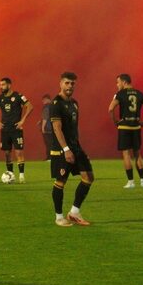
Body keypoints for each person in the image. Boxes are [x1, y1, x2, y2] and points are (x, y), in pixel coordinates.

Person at [49, 72, 94, 226]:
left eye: (72, 83)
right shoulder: (56, 104)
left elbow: (73, 128)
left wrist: (77, 147)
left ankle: (74, 212)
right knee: (61, 181)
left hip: (76, 146)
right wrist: (66, 149)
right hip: (62, 149)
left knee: (88, 177)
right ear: (61, 83)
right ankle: (59, 217)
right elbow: (57, 128)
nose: (70, 86)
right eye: (67, 83)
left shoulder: (74, 103)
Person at [108, 74, 143, 187]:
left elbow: (110, 109)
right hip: (136, 127)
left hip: (124, 127)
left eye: (118, 82)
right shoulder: (139, 93)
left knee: (126, 154)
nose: (117, 85)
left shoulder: (119, 94)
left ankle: (131, 182)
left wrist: (115, 121)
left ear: (124, 82)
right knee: (137, 154)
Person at [0, 77, 33, 182]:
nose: (1, 87)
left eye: (3, 85)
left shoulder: (18, 96)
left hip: (16, 129)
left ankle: (22, 176)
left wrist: (22, 120)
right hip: (5, 130)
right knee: (7, 153)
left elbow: (30, 106)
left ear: (9, 85)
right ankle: (10, 174)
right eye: (0, 85)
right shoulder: (0, 98)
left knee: (18, 152)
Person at [38, 93, 55, 160]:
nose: (43, 101)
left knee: (48, 143)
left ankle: (49, 157)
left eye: (44, 100)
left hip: (47, 129)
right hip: (53, 128)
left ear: (47, 99)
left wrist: (43, 128)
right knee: (52, 143)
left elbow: (45, 118)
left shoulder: (47, 107)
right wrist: (40, 121)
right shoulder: (53, 106)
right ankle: (51, 157)